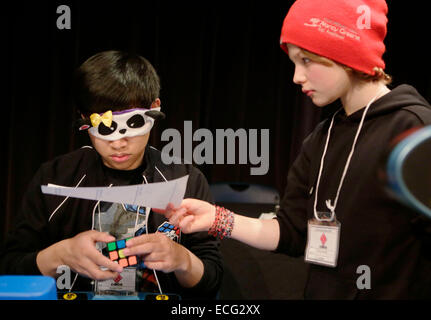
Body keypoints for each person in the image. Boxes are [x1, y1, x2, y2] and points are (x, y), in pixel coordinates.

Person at [162, 0, 431, 299]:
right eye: (294, 62)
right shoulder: (320, 139)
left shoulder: (416, 131)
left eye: (306, 60)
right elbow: (291, 233)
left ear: (345, 54)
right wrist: (218, 219)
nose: (296, 77)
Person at [0, 51, 222, 299]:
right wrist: (59, 255)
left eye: (133, 125)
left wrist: (183, 260)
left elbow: (212, 280)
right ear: (84, 119)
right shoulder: (55, 178)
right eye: (104, 129)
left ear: (154, 109)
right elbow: (11, 268)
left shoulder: (185, 180)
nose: (118, 143)